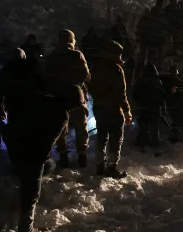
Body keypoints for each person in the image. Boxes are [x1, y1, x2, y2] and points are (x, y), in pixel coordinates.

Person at [0, 48, 79, 232]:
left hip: (15, 138)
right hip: (28, 147)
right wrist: (37, 161)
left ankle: (20, 174)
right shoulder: (60, 116)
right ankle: (25, 228)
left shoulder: (43, 100)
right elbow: (45, 144)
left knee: (42, 166)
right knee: (32, 187)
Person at [45, 29, 91, 168]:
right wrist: (74, 83)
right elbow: (86, 74)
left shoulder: (52, 57)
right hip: (76, 96)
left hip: (58, 97)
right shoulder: (76, 55)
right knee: (81, 126)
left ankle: (63, 155)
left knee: (61, 128)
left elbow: (46, 77)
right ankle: (82, 155)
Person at [88, 40, 132, 178]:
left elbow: (90, 87)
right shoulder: (116, 69)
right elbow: (121, 93)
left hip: (99, 108)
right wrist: (127, 111)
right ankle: (112, 166)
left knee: (101, 137)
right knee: (115, 138)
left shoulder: (95, 67)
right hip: (114, 109)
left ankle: (99, 166)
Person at [133, 65, 165, 148]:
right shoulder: (157, 81)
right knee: (154, 127)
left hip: (143, 107)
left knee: (143, 126)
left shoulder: (140, 81)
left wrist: (138, 103)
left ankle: (141, 143)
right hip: (154, 107)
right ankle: (154, 144)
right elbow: (162, 94)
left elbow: (135, 94)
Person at [161, 66, 183, 142]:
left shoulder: (166, 81)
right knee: (180, 120)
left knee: (176, 120)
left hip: (171, 104)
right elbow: (182, 92)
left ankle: (177, 135)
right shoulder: (176, 81)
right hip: (177, 103)